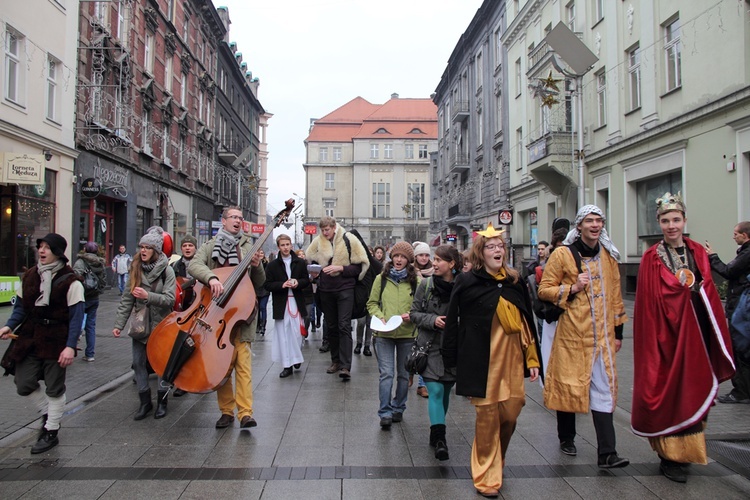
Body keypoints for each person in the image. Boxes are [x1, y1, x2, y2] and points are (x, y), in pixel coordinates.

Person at [632, 192, 735, 483]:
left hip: (698, 335)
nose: (671, 225)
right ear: (659, 223)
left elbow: (709, 291)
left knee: (693, 388)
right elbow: (649, 304)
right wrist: (677, 298)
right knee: (669, 391)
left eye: (676, 219)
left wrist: (698, 292)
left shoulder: (698, 252)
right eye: (666, 220)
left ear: (684, 220)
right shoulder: (651, 258)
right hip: (666, 337)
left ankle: (689, 451)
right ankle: (670, 456)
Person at [443, 224, 539, 497]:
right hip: (481, 361)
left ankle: (498, 457)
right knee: (486, 418)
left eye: (500, 246)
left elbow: (526, 322)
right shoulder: (467, 281)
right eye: (491, 247)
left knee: (509, 416)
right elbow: (452, 321)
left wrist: (532, 359)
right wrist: (451, 357)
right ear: (480, 252)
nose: (497, 251)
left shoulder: (515, 281)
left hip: (511, 360)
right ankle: (486, 474)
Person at [538, 205, 629, 469]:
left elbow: (615, 296)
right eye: (590, 221)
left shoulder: (608, 257)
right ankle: (566, 437)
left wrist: (618, 332)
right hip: (571, 333)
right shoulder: (563, 255)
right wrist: (573, 287)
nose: (595, 225)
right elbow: (545, 290)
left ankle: (607, 453)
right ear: (579, 226)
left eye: (599, 221)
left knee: (604, 389)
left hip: (602, 336)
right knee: (569, 383)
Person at [0, 233, 85, 454]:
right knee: (23, 382)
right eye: (40, 247)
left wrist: (70, 346)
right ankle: (49, 413)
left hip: (57, 339)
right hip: (30, 336)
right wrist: (9, 326)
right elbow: (20, 307)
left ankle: (51, 431)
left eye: (47, 248)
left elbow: (77, 317)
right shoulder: (29, 276)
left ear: (58, 252)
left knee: (55, 388)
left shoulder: (71, 281)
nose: (42, 251)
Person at [188, 206, 265, 429]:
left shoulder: (249, 247)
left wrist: (257, 266)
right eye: (233, 217)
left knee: (243, 367)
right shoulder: (211, 245)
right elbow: (194, 264)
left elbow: (260, 282)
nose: (238, 221)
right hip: (217, 316)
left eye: (241, 218)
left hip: (242, 315)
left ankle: (245, 413)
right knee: (222, 367)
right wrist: (211, 278)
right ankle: (226, 411)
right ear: (223, 221)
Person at [112, 227, 176, 420]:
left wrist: (148, 296)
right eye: (142, 247)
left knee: (162, 365)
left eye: (148, 247)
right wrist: (118, 325)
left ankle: (162, 402)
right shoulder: (135, 268)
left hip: (161, 325)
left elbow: (170, 299)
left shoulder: (167, 270)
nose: (144, 251)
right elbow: (126, 299)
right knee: (139, 363)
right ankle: (145, 402)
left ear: (156, 250)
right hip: (140, 325)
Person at [409, 244, 462, 461]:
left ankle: (436, 428)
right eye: (434, 258)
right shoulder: (426, 285)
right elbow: (414, 313)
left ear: (452, 264)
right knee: (436, 391)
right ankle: (440, 438)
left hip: (453, 346)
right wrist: (433, 320)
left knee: (446, 390)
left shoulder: (463, 285)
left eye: (440, 260)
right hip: (429, 346)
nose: (435, 263)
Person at [305, 216, 369, 380]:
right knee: (331, 326)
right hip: (326, 289)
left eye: (327, 229)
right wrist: (314, 271)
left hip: (345, 289)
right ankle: (335, 361)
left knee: (344, 326)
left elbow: (359, 267)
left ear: (334, 227)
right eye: (323, 230)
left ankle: (346, 366)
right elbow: (310, 258)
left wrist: (340, 267)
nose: (325, 233)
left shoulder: (349, 239)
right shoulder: (318, 241)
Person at [367, 241, 418, 429]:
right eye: (396, 256)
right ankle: (385, 412)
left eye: (403, 257)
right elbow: (371, 303)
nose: (399, 259)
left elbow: (420, 307)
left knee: (404, 375)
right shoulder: (381, 279)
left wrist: (411, 315)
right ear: (391, 257)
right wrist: (380, 317)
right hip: (384, 334)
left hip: (407, 334)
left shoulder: (416, 281)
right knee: (386, 374)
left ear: (408, 260)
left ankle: (399, 406)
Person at [706, 221, 750, 404]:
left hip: (742, 309)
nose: (733, 237)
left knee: (740, 349)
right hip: (741, 307)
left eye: (736, 233)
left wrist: (712, 256)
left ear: (745, 236)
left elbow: (729, 271)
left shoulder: (747, 254)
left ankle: (741, 392)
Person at [264, 235, 309, 378]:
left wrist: (297, 282)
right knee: (283, 334)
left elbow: (306, 281)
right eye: (282, 245)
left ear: (291, 245)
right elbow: (267, 284)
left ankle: (296, 357)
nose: (285, 247)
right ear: (278, 247)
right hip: (281, 303)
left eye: (287, 244)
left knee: (296, 333)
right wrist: (282, 285)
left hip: (296, 301)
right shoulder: (272, 265)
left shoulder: (300, 263)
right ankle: (287, 365)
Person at [170, 235, 197, 397]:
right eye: (185, 245)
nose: (187, 248)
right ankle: (181, 381)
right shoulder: (174, 266)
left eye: (190, 245)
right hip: (181, 309)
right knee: (180, 345)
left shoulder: (200, 264)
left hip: (198, 307)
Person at [73, 241, 105, 362]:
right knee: (91, 326)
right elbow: (103, 281)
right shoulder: (100, 263)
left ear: (85, 250)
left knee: (75, 322)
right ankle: (90, 354)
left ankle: (72, 347)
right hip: (94, 298)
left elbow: (75, 277)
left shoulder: (81, 262)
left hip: (81, 297)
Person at [412, 241, 433, 398]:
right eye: (421, 255)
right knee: (412, 349)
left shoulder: (436, 270)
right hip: (414, 312)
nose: (424, 258)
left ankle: (422, 385)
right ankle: (409, 373)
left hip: (429, 314)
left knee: (425, 350)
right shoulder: (411, 271)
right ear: (415, 256)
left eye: (426, 255)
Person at [256, 249, 270, 336]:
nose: (260, 254)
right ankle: (257, 325)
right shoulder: (254, 264)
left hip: (264, 289)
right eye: (259, 253)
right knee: (256, 309)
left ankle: (263, 326)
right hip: (256, 289)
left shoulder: (267, 264)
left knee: (263, 307)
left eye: (262, 253)